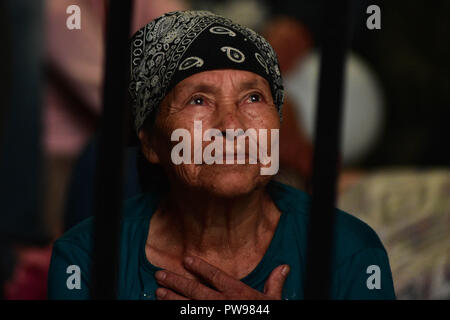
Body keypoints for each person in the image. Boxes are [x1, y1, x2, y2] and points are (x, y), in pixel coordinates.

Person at [48, 10, 396, 300]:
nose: (232, 126)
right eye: (198, 100)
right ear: (152, 143)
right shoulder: (84, 259)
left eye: (254, 99)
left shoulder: (351, 253)